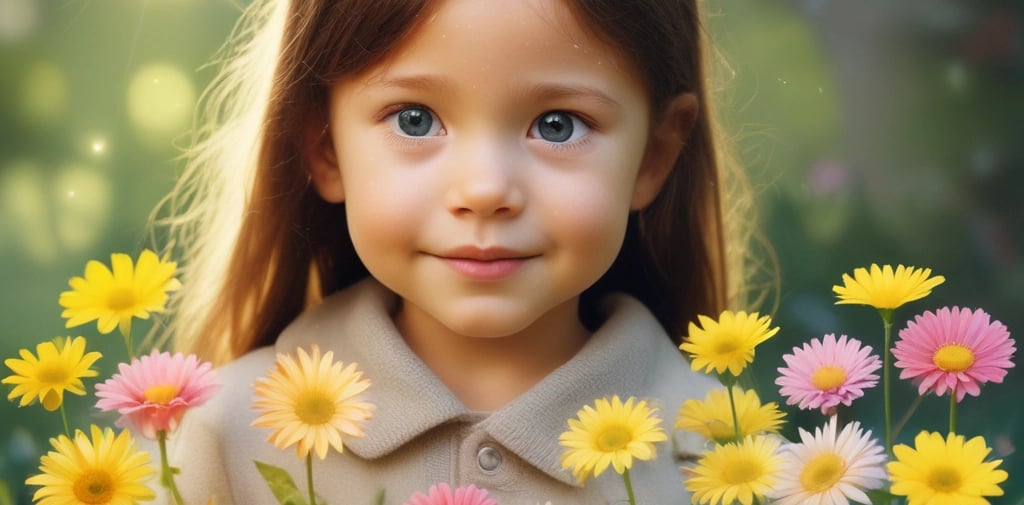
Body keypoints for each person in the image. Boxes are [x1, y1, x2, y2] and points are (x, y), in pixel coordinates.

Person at [155, 0, 759, 502]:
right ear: (324, 146)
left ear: (654, 155)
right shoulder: (221, 438)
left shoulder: (734, 468)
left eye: (558, 125)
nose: (484, 190)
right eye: (414, 120)